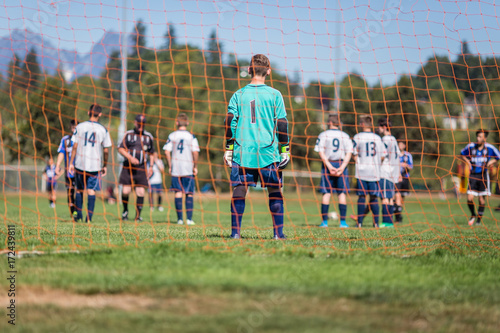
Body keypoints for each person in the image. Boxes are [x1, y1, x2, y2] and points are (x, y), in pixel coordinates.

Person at [223, 54, 290, 239]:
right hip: (268, 152)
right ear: (268, 71)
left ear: (249, 70)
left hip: (243, 151)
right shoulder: (275, 95)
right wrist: (285, 149)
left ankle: (235, 234)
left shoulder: (239, 94)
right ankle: (278, 234)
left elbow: (230, 122)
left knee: (239, 189)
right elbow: (282, 124)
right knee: (274, 190)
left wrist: (229, 149)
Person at [68, 104, 112, 223]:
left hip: (80, 164)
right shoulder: (103, 129)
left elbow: (75, 146)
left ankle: (78, 216)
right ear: (100, 114)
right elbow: (106, 150)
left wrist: (71, 163)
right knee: (91, 191)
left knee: (79, 190)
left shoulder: (80, 127)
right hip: (95, 165)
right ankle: (89, 219)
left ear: (88, 112)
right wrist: (105, 165)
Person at [314, 114, 353, 228]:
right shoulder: (345, 135)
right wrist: (342, 167)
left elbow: (320, 151)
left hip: (328, 164)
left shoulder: (323, 135)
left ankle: (324, 222)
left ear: (330, 122)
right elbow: (349, 152)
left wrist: (329, 166)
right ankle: (343, 223)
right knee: (342, 194)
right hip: (341, 164)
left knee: (326, 193)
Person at [163, 113, 200, 225]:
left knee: (178, 192)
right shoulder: (191, 136)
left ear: (177, 122)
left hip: (176, 168)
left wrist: (170, 165)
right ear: (187, 123)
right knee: (189, 193)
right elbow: (195, 152)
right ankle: (189, 219)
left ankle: (179, 219)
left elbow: (166, 151)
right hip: (188, 168)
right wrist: (195, 166)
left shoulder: (172, 135)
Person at [118, 114, 155, 222]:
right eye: (139, 124)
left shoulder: (148, 136)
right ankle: (125, 211)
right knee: (125, 191)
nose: (140, 126)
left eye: (143, 124)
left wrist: (151, 166)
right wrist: (130, 158)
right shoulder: (128, 134)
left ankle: (138, 216)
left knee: (141, 192)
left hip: (141, 167)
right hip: (128, 167)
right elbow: (120, 149)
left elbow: (152, 153)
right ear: (135, 123)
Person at [459, 129, 500, 226]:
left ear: (485, 138)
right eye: (477, 136)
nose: (478, 138)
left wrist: (491, 162)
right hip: (473, 175)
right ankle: (473, 214)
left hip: (483, 176)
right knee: (469, 198)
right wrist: (468, 162)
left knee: (481, 200)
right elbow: (462, 154)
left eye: (480, 136)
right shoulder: (470, 146)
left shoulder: (489, 148)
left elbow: (498, 157)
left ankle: (478, 220)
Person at [352, 115, 386, 228]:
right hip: (374, 172)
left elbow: (353, 154)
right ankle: (376, 223)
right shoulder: (377, 138)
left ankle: (360, 223)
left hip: (361, 172)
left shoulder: (357, 137)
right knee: (374, 197)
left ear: (362, 124)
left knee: (362, 197)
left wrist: (360, 161)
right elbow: (383, 156)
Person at [378, 118, 400, 228]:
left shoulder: (385, 139)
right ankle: (390, 222)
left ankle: (385, 221)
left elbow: (382, 155)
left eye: (379, 127)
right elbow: (398, 156)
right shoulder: (394, 139)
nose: (378, 129)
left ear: (384, 127)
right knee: (390, 197)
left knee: (385, 198)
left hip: (385, 172)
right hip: (393, 172)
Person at [55, 119, 78, 217]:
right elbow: (61, 153)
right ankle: (73, 212)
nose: (74, 130)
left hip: (80, 171)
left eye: (76, 128)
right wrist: (57, 165)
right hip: (69, 172)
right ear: (70, 128)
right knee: (70, 192)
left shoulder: (82, 140)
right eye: (73, 128)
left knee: (79, 191)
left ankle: (78, 211)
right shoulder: (65, 140)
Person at [394, 139, 413, 223]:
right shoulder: (395, 154)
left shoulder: (408, 155)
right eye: (399, 144)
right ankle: (398, 217)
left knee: (402, 199)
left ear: (404, 146)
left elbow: (411, 167)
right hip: (396, 178)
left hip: (405, 178)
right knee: (397, 197)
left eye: (402, 144)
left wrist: (406, 166)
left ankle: (399, 214)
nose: (400, 146)